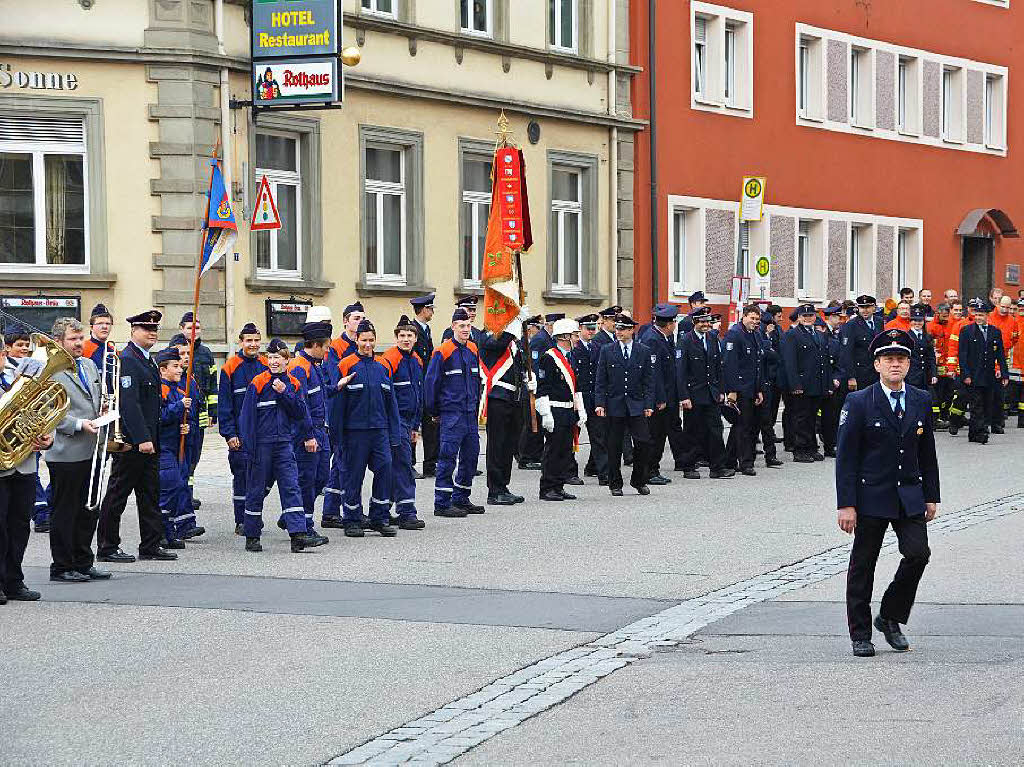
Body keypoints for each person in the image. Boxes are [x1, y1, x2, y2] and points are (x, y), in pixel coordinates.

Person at [837, 329, 939, 658]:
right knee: (863, 564)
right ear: (877, 364)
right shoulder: (859, 401)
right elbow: (846, 458)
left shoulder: (921, 399)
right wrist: (847, 505)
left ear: (909, 365)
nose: (896, 365)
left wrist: (931, 495)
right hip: (871, 497)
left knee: (918, 554)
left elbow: (927, 451)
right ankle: (860, 633)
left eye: (902, 359)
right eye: (889, 359)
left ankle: (891, 616)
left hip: (908, 492)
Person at [97, 310, 176, 562]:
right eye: (146, 329)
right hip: (133, 441)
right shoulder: (129, 359)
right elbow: (129, 404)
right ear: (133, 331)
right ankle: (108, 547)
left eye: (154, 330)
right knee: (118, 495)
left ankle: (150, 545)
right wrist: (142, 438)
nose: (151, 333)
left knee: (149, 494)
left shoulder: (148, 360)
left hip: (149, 440)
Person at [239, 339, 318, 553]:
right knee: (256, 489)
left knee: (291, 487)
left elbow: (301, 412)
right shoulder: (258, 382)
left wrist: (285, 392)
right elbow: (246, 418)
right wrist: (249, 447)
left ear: (287, 360)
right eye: (271, 357)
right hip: (261, 445)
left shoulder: (293, 383)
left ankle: (298, 535)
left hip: (284, 444)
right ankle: (252, 535)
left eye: (278, 358)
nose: (273, 362)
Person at [46, 318, 109, 583]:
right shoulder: (50, 372)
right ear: (59, 341)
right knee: (65, 510)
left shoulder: (89, 365)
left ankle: (83, 561)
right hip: (66, 452)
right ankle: (62, 565)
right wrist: (78, 424)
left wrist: (104, 408)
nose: (79, 343)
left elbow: (96, 395)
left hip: (92, 449)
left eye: (80, 338)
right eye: (73, 339)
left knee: (88, 510)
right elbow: (48, 412)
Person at [330, 320, 401, 538]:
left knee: (385, 470)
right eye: (364, 340)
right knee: (353, 476)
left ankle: (379, 517)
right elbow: (337, 404)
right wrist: (337, 436)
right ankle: (352, 519)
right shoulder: (346, 364)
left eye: (371, 340)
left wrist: (394, 434)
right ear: (356, 340)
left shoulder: (383, 366)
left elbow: (391, 403)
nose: (367, 344)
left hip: (379, 430)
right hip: (354, 432)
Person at [0, 338, 52, 603]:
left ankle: (14, 580)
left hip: (24, 464)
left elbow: (41, 414)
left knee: (20, 525)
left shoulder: (19, 378)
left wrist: (45, 437)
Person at [425, 308, 484, 517]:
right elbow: (431, 384)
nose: (466, 330)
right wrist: (434, 411)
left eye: (468, 326)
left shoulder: (473, 349)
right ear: (453, 327)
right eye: (461, 326)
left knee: (471, 456)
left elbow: (477, 382)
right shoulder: (443, 351)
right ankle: (442, 503)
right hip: (451, 413)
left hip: (469, 413)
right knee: (447, 458)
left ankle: (461, 498)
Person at [595, 314, 655, 495]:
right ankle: (615, 483)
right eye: (617, 329)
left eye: (622, 329)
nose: (618, 332)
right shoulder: (607, 350)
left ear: (631, 330)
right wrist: (600, 403)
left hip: (636, 404)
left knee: (643, 442)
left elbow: (649, 381)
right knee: (614, 446)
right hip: (615, 404)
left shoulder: (643, 350)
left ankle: (639, 480)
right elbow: (601, 380)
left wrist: (648, 404)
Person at [218, 324, 268, 534]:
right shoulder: (230, 367)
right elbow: (225, 405)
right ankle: (242, 520)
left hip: (264, 434)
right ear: (241, 342)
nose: (253, 344)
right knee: (241, 478)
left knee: (263, 477)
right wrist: (230, 434)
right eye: (249, 340)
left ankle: (253, 515)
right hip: (240, 436)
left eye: (256, 340)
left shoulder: (266, 364)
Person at [378, 316, 428, 529]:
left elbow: (418, 394)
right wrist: (394, 424)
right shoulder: (389, 359)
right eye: (402, 336)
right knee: (403, 467)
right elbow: (385, 396)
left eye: (409, 335)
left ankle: (381, 510)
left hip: (409, 423)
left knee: (395, 467)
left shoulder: (416, 360)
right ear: (396, 338)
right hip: (395, 423)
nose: (406, 339)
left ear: (416, 338)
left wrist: (416, 426)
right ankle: (407, 513)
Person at [285, 321, 333, 544]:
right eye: (325, 346)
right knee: (307, 479)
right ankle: (304, 525)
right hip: (307, 433)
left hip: (320, 431)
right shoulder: (299, 367)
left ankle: (292, 516)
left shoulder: (315, 365)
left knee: (322, 476)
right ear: (314, 344)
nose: (328, 350)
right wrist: (308, 436)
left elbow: (319, 397)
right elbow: (300, 405)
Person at [479, 310, 533, 506]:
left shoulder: (514, 341)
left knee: (510, 443)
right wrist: (513, 327)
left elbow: (520, 363)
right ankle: (494, 490)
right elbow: (496, 344)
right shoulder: (486, 335)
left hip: (514, 397)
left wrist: (528, 379)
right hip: (498, 397)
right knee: (497, 444)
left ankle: (504, 485)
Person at [676, 307, 732, 479]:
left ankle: (718, 467)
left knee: (716, 429)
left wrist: (721, 390)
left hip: (711, 393)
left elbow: (718, 367)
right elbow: (680, 372)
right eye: (701, 321)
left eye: (707, 321)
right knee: (692, 431)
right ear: (694, 323)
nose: (705, 324)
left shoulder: (713, 338)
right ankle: (689, 466)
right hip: (693, 394)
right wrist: (684, 396)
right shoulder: (685, 340)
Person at [322, 302, 364, 526]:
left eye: (362, 318)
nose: (359, 322)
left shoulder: (363, 344)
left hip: (356, 412)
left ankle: (340, 510)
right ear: (345, 321)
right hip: (338, 409)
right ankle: (330, 511)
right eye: (355, 318)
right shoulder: (336, 347)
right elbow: (333, 378)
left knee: (345, 463)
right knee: (340, 462)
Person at [536, 318, 586, 501]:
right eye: (574, 335)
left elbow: (576, 386)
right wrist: (546, 414)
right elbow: (542, 387)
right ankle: (547, 487)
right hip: (554, 409)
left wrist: (580, 410)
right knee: (553, 450)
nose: (576, 339)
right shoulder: (548, 358)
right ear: (565, 336)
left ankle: (558, 486)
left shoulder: (570, 357)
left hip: (568, 410)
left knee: (565, 450)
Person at [156, 347, 201, 550]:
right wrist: (178, 408)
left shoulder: (180, 391)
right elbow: (159, 417)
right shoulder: (161, 390)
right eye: (175, 366)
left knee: (178, 486)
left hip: (177, 445)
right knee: (169, 485)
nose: (180, 369)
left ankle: (170, 530)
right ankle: (159, 532)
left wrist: (185, 426)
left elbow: (181, 418)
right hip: (163, 446)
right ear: (163, 370)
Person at [782, 304, 835, 463]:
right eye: (804, 316)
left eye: (811, 315)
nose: (807, 318)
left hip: (816, 384)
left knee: (812, 418)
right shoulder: (792, 335)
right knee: (801, 418)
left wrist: (827, 385)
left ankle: (811, 447)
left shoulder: (819, 335)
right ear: (798, 317)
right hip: (802, 385)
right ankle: (800, 450)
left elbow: (824, 363)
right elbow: (790, 363)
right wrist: (795, 385)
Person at [639, 304, 683, 485]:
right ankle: (649, 471)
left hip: (668, 395)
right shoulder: (652, 340)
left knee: (660, 434)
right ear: (669, 324)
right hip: (660, 399)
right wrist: (660, 398)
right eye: (674, 322)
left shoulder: (664, 337)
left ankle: (653, 468)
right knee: (654, 436)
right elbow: (653, 373)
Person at [178, 312, 216, 508]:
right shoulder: (175, 351)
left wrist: (213, 411)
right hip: (182, 413)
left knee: (195, 455)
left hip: (200, 413)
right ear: (181, 329)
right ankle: (182, 493)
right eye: (189, 328)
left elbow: (212, 384)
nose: (194, 332)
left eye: (197, 328)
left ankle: (189, 493)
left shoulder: (206, 353)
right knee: (182, 454)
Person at [723, 304, 767, 475]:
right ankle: (745, 462)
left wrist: (759, 389)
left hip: (751, 388)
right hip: (740, 388)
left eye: (757, 319)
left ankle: (729, 460)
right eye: (752, 318)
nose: (754, 322)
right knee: (743, 427)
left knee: (743, 426)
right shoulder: (735, 334)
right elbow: (730, 364)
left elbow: (758, 364)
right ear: (744, 317)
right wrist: (732, 390)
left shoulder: (755, 334)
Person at [958, 300, 1009, 444]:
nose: (978, 317)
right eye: (976, 315)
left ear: (987, 315)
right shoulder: (966, 331)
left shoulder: (995, 332)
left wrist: (1004, 373)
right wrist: (965, 374)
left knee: (987, 404)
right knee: (976, 405)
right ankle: (981, 432)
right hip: (973, 376)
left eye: (981, 315)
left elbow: (1000, 355)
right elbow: (962, 355)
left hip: (989, 375)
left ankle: (973, 433)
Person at [571, 314, 608, 485]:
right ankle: (569, 471)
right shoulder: (574, 349)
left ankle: (601, 471)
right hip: (578, 397)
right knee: (573, 436)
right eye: (588, 329)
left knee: (599, 435)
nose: (592, 332)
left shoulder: (599, 347)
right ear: (580, 330)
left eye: (594, 328)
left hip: (594, 396)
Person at [410, 294, 437, 478]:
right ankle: (410, 464)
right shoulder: (412, 330)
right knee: (412, 426)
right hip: (416, 384)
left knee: (430, 426)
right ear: (424, 309)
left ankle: (430, 464)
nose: (433, 311)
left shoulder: (426, 330)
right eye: (431, 308)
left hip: (427, 384)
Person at [987, 295, 1018, 432]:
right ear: (997, 304)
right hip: (987, 359)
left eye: (1008, 307)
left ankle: (997, 422)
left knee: (1000, 395)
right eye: (1003, 307)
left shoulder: (1012, 321)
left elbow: (1014, 339)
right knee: (986, 393)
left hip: (1002, 358)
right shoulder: (989, 318)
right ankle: (985, 421)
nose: (1005, 310)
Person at [819, 306, 847, 458]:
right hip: (826, 381)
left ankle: (832, 444)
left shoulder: (838, 333)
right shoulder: (824, 334)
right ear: (829, 317)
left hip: (836, 379)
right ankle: (829, 445)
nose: (839, 319)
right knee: (828, 416)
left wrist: (838, 376)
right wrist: (832, 379)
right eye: (837, 317)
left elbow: (840, 359)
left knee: (833, 414)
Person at [840, 295, 881, 392]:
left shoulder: (879, 322)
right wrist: (851, 377)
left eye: (868, 307)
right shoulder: (851, 325)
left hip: (877, 372)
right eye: (862, 307)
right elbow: (846, 353)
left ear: (874, 307)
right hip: (860, 373)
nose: (865, 310)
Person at [927, 304, 955, 426]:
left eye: (947, 315)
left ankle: (945, 415)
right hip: (936, 365)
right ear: (937, 313)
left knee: (948, 394)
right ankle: (935, 419)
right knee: (936, 394)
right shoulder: (930, 327)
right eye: (943, 314)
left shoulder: (952, 325)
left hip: (948, 365)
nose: (945, 317)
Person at [906, 306, 937, 392]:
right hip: (911, 377)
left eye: (920, 320)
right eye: (914, 320)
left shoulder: (928, 336)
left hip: (926, 376)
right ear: (910, 321)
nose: (917, 323)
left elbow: (931, 357)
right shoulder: (906, 337)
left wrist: (934, 374)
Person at [82, 303, 115, 370]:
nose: (105, 327)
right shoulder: (83, 348)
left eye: (108, 324)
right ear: (91, 327)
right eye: (100, 323)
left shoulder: (113, 350)